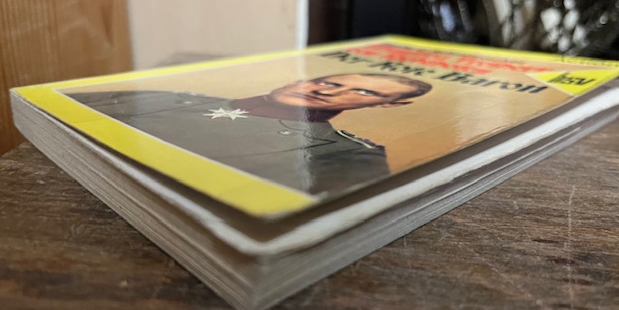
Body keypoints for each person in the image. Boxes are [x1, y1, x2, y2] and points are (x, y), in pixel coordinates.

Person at [67, 73, 432, 196]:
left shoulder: (348, 155)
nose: (327, 92)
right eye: (327, 82)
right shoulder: (166, 96)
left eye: (365, 92)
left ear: (389, 105)